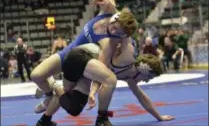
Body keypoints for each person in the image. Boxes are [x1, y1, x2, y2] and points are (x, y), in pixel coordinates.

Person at [31, 0, 138, 126]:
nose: (112, 30)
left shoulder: (108, 44)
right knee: (36, 75)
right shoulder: (107, 13)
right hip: (66, 53)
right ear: (115, 18)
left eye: (117, 32)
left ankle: (46, 115)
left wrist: (93, 92)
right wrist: (108, 1)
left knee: (68, 98)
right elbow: (110, 4)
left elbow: (101, 71)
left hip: (81, 65)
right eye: (114, 26)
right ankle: (48, 96)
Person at [35, 43, 174, 126]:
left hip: (89, 69)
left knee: (73, 108)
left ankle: (45, 118)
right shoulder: (126, 57)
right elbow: (102, 71)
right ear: (144, 68)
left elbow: (141, 97)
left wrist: (159, 117)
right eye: (149, 77)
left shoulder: (131, 78)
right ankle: (102, 118)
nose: (147, 80)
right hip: (84, 56)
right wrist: (92, 92)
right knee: (106, 80)